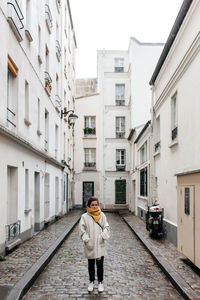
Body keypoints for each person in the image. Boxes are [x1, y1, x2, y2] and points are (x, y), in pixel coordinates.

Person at [79, 196, 110, 293]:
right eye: (92, 205)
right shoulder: (84, 217)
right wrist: (86, 239)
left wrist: (103, 235)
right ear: (88, 206)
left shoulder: (102, 215)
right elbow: (81, 229)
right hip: (90, 244)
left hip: (100, 244)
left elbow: (106, 226)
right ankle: (91, 281)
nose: (95, 207)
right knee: (91, 264)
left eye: (96, 205)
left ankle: (100, 282)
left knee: (100, 264)